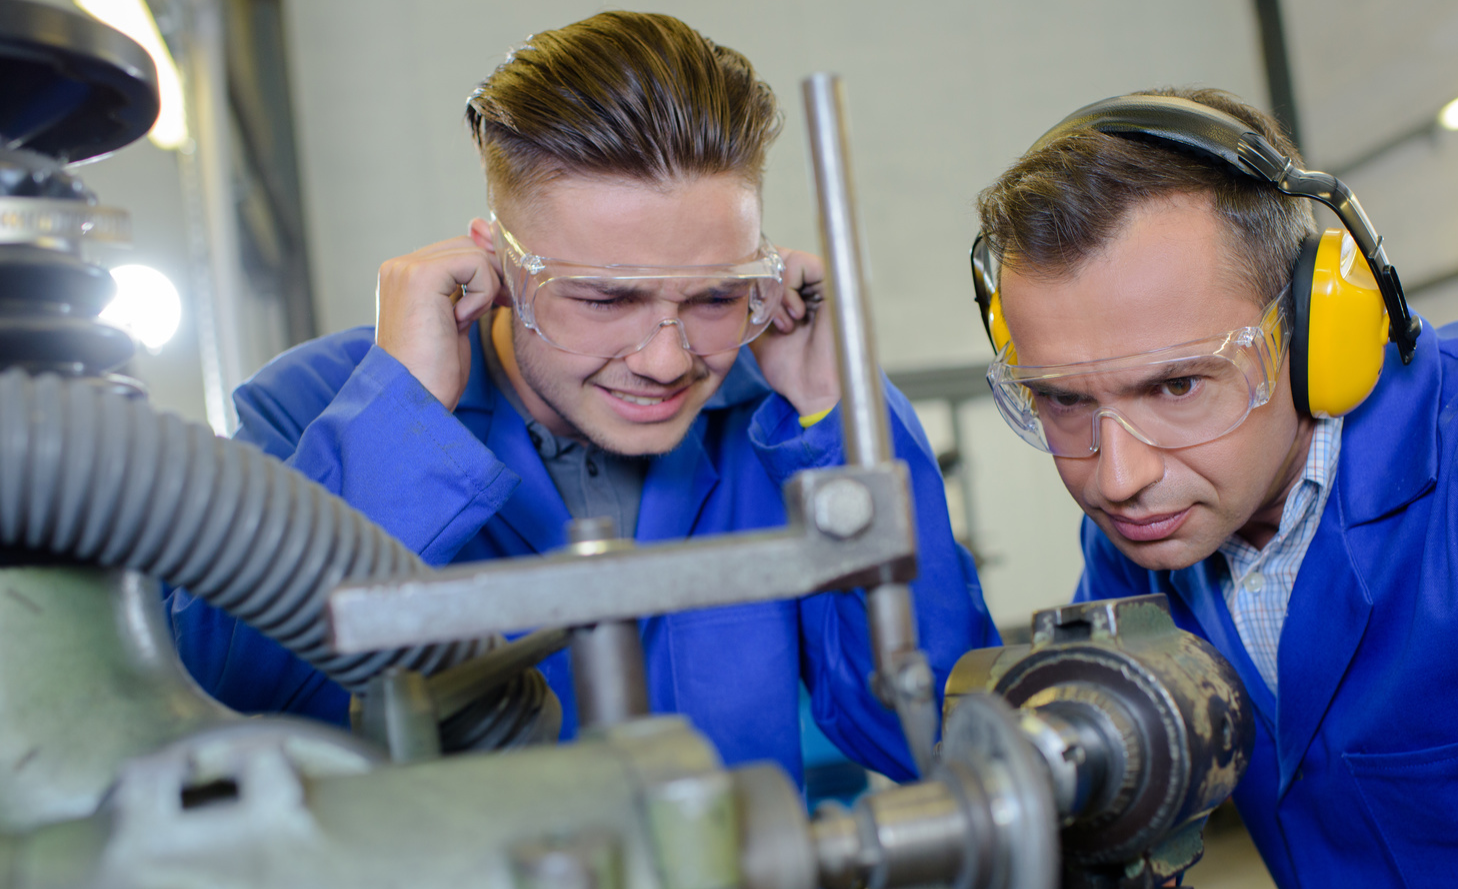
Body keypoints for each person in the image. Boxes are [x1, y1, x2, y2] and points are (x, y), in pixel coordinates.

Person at [168, 11, 997, 785]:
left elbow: (928, 738)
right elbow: (221, 712)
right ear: (494, 265)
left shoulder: (791, 408)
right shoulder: (311, 406)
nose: (667, 359)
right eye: (603, 300)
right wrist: (404, 415)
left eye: (714, 296)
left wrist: (836, 414)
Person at [971, 87, 1458, 887]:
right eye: (1063, 399)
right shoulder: (1142, 541)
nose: (1117, 478)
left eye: (1176, 387)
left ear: (1319, 329)